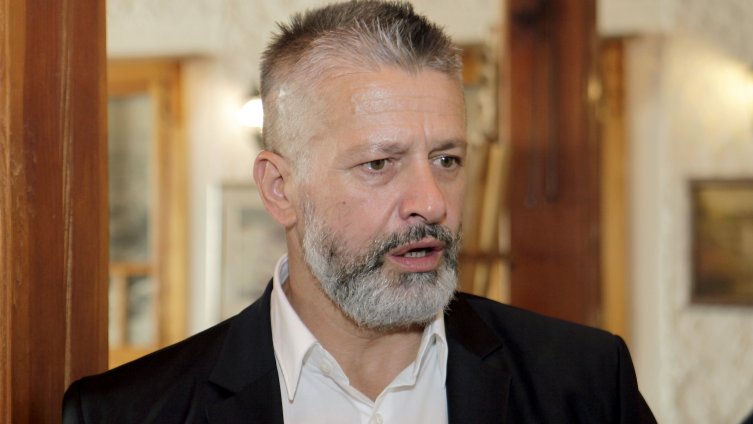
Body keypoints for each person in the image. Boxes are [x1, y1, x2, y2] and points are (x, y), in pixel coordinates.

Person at [63, 1, 656, 422]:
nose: (431, 202)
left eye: (447, 159)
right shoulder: (130, 411)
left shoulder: (584, 384)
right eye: (379, 163)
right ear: (279, 189)